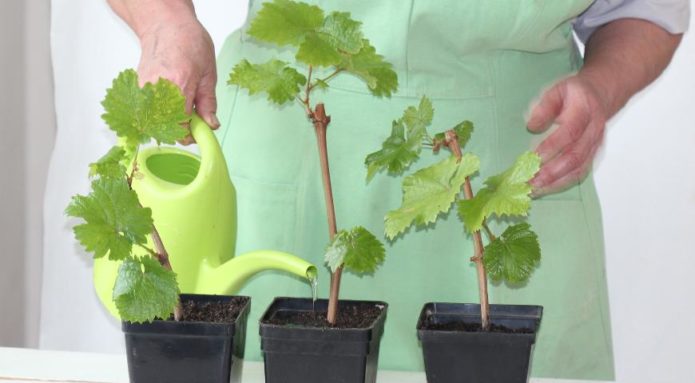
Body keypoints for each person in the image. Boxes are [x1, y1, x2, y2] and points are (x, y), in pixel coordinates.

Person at [97, 0, 688, 380]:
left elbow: (648, 9)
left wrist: (601, 86)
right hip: (292, 154)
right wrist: (166, 22)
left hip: (509, 165)